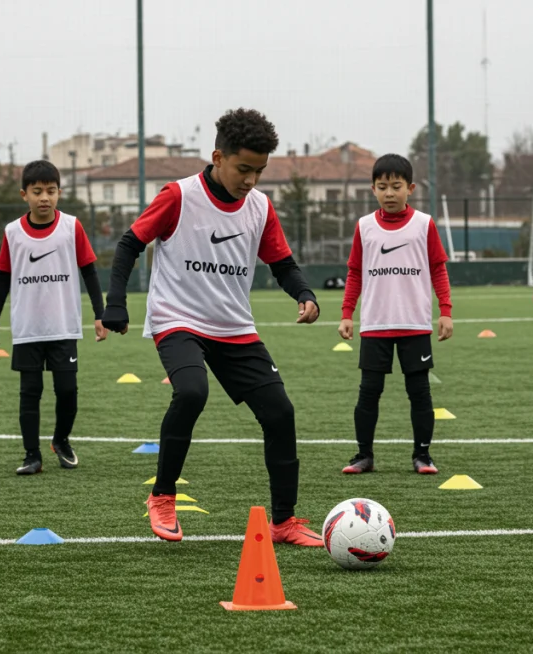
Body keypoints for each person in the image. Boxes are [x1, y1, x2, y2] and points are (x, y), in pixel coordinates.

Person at [102, 108, 323, 545]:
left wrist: (305, 294)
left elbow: (282, 263)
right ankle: (163, 497)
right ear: (217, 156)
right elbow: (130, 243)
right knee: (191, 392)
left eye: (260, 171)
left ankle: (284, 522)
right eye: (244, 169)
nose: (251, 181)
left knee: (281, 414)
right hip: (177, 319)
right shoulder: (178, 196)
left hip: (235, 327)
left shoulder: (259, 207)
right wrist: (116, 303)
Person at [0, 160, 108, 474]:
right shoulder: (13, 232)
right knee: (30, 392)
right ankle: (31, 456)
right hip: (28, 328)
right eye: (37, 191)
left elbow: (89, 271)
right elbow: (2, 278)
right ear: (24, 194)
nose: (45, 198)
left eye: (51, 191)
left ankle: (61, 439)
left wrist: (100, 314)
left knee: (67, 390)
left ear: (59, 193)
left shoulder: (71, 226)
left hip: (63, 326)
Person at [338, 154, 453, 475]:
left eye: (396, 186)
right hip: (375, 325)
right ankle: (363, 455)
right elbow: (355, 272)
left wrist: (445, 311)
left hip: (415, 324)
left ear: (410, 188)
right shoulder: (364, 226)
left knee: (419, 392)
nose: (390, 193)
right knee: (368, 392)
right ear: (373, 189)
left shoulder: (424, 224)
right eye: (383, 187)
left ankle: (423, 455)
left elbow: (438, 269)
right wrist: (347, 313)